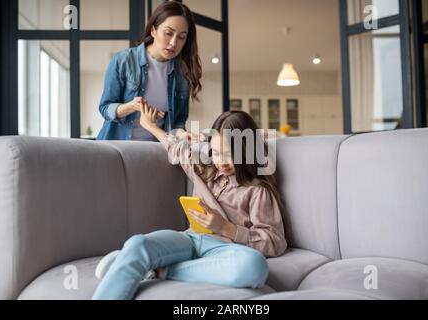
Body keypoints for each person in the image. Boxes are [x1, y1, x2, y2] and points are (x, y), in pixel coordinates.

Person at [92, 109, 288, 300]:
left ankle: (160, 270)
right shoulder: (205, 169)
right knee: (138, 243)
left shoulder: (257, 190)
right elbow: (177, 147)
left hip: (224, 250)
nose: (221, 161)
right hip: (190, 239)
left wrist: (226, 228)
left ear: (247, 150)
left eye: (229, 155)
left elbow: (275, 241)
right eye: (217, 153)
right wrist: (151, 126)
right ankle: (135, 260)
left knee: (253, 267)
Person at [96, 1, 202, 141]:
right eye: (168, 33)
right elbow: (105, 108)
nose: (173, 43)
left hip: (153, 152)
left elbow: (177, 123)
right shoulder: (123, 61)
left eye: (181, 37)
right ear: (153, 30)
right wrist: (131, 106)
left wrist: (182, 134)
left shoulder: (181, 73)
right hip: (117, 148)